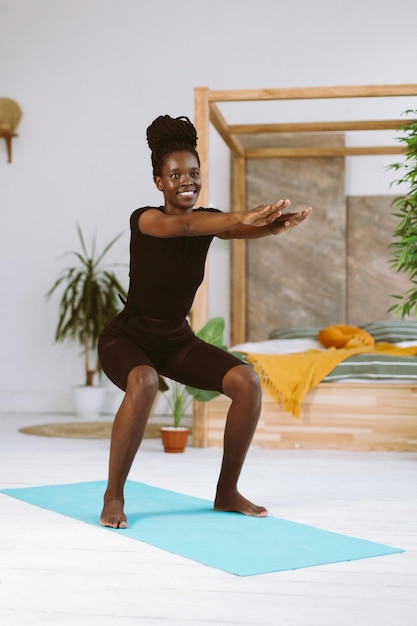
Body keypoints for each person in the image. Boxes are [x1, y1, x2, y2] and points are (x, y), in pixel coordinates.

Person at [98, 114, 312, 529]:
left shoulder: (208, 218)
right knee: (142, 380)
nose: (186, 181)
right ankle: (113, 496)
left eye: (193, 173)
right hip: (128, 337)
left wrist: (271, 227)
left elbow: (228, 230)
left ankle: (227, 492)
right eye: (175, 174)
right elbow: (189, 225)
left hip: (175, 339)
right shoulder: (145, 219)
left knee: (245, 382)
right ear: (159, 182)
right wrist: (245, 215)